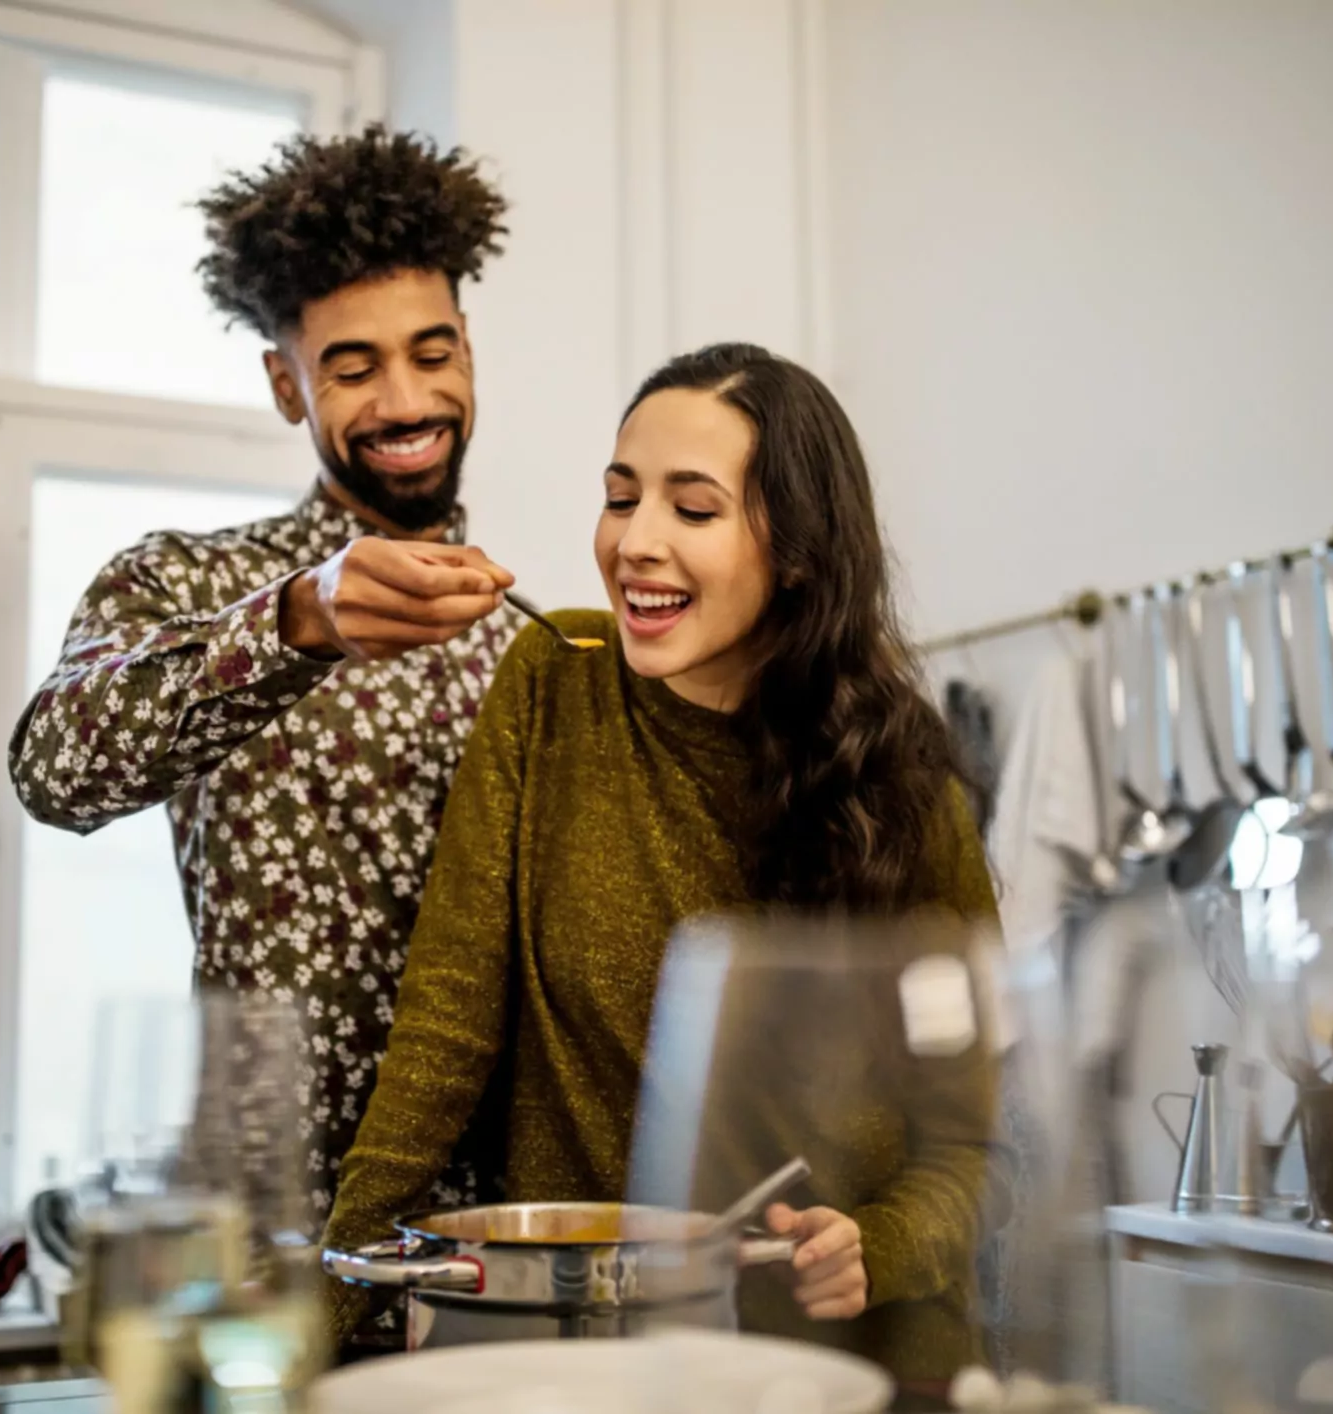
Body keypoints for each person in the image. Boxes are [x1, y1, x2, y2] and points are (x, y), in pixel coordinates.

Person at [321, 343, 1003, 1383]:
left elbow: (976, 1144)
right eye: (619, 497)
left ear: (803, 551)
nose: (635, 543)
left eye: (692, 509)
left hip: (854, 1374)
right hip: (606, 1370)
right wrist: (322, 1317)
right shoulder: (554, 679)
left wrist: (882, 1243)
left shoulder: (903, 780)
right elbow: (442, 1030)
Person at [7, 127, 525, 1319]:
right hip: (265, 1261)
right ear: (288, 383)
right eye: (352, 367)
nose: (405, 400)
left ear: (468, 358)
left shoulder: (529, 645)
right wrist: (298, 620)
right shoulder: (185, 589)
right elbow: (54, 770)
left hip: (491, 1262)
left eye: (430, 354)